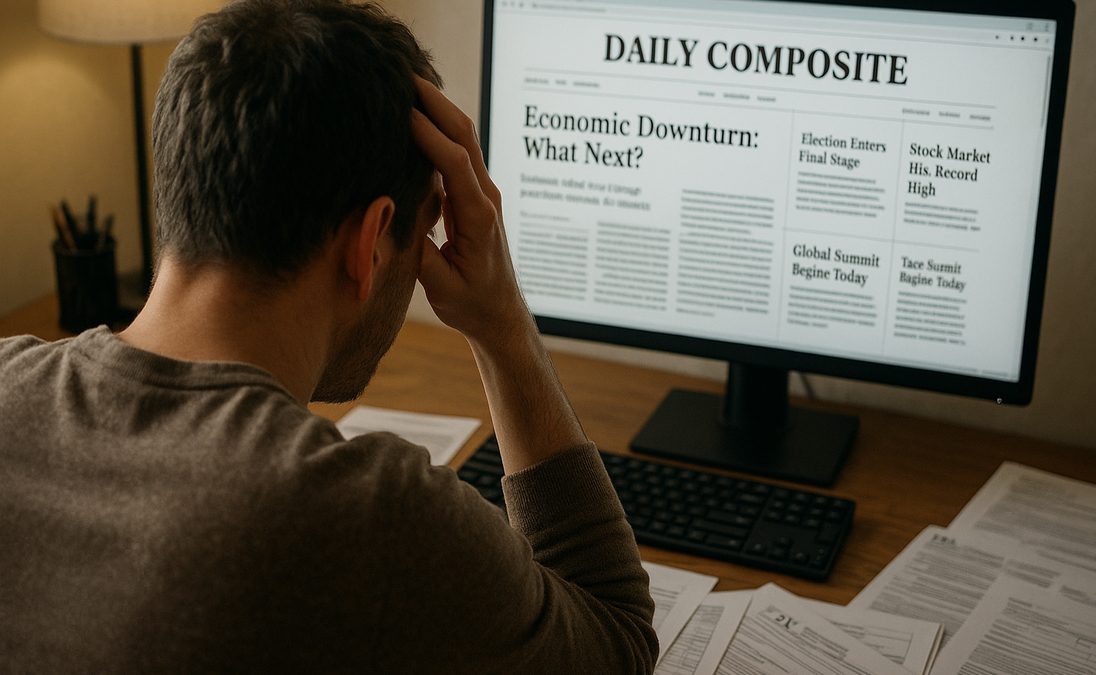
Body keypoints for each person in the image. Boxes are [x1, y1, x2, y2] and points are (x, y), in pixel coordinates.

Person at [0, 1, 657, 672]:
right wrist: (501, 322)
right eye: (425, 230)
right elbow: (617, 640)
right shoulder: (366, 516)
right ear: (370, 242)